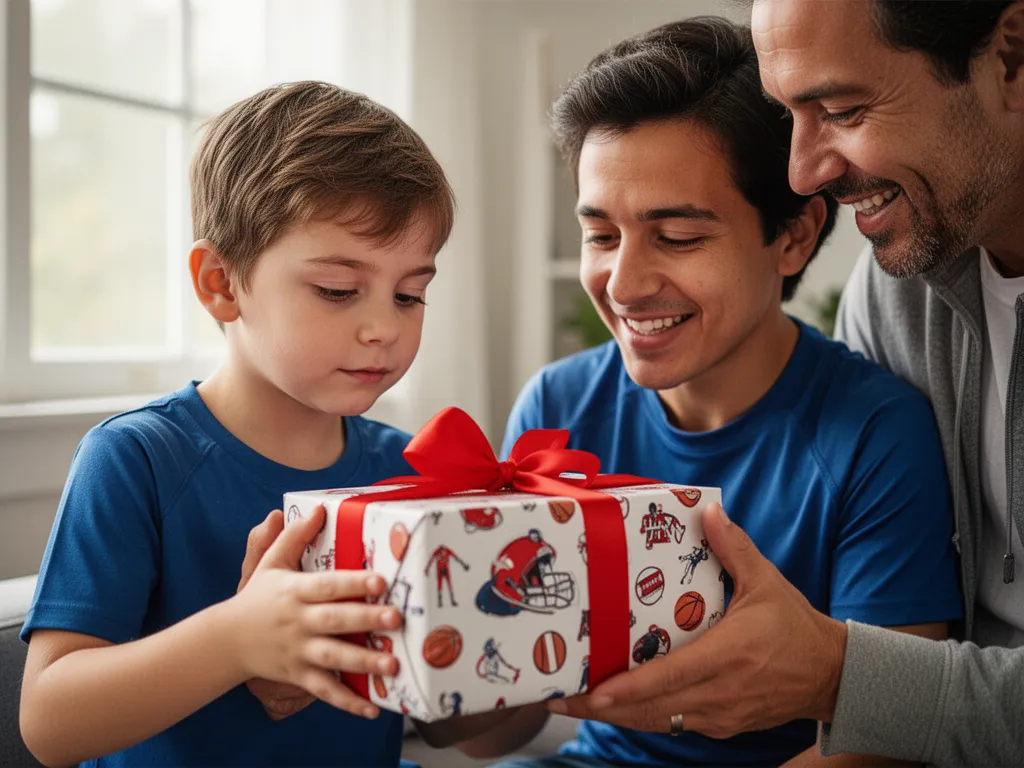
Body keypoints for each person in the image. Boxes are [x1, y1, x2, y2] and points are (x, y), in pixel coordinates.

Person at [456, 16, 963, 768]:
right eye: (600, 235)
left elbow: (879, 745)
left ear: (793, 236)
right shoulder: (556, 409)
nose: (622, 285)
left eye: (678, 237)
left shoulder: (874, 433)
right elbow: (486, 732)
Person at [18, 80, 456, 767]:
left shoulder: (413, 471)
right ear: (221, 283)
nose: (383, 328)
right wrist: (237, 640)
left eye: (411, 294)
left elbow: (456, 729)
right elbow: (49, 723)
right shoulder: (136, 460)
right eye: (338, 290)